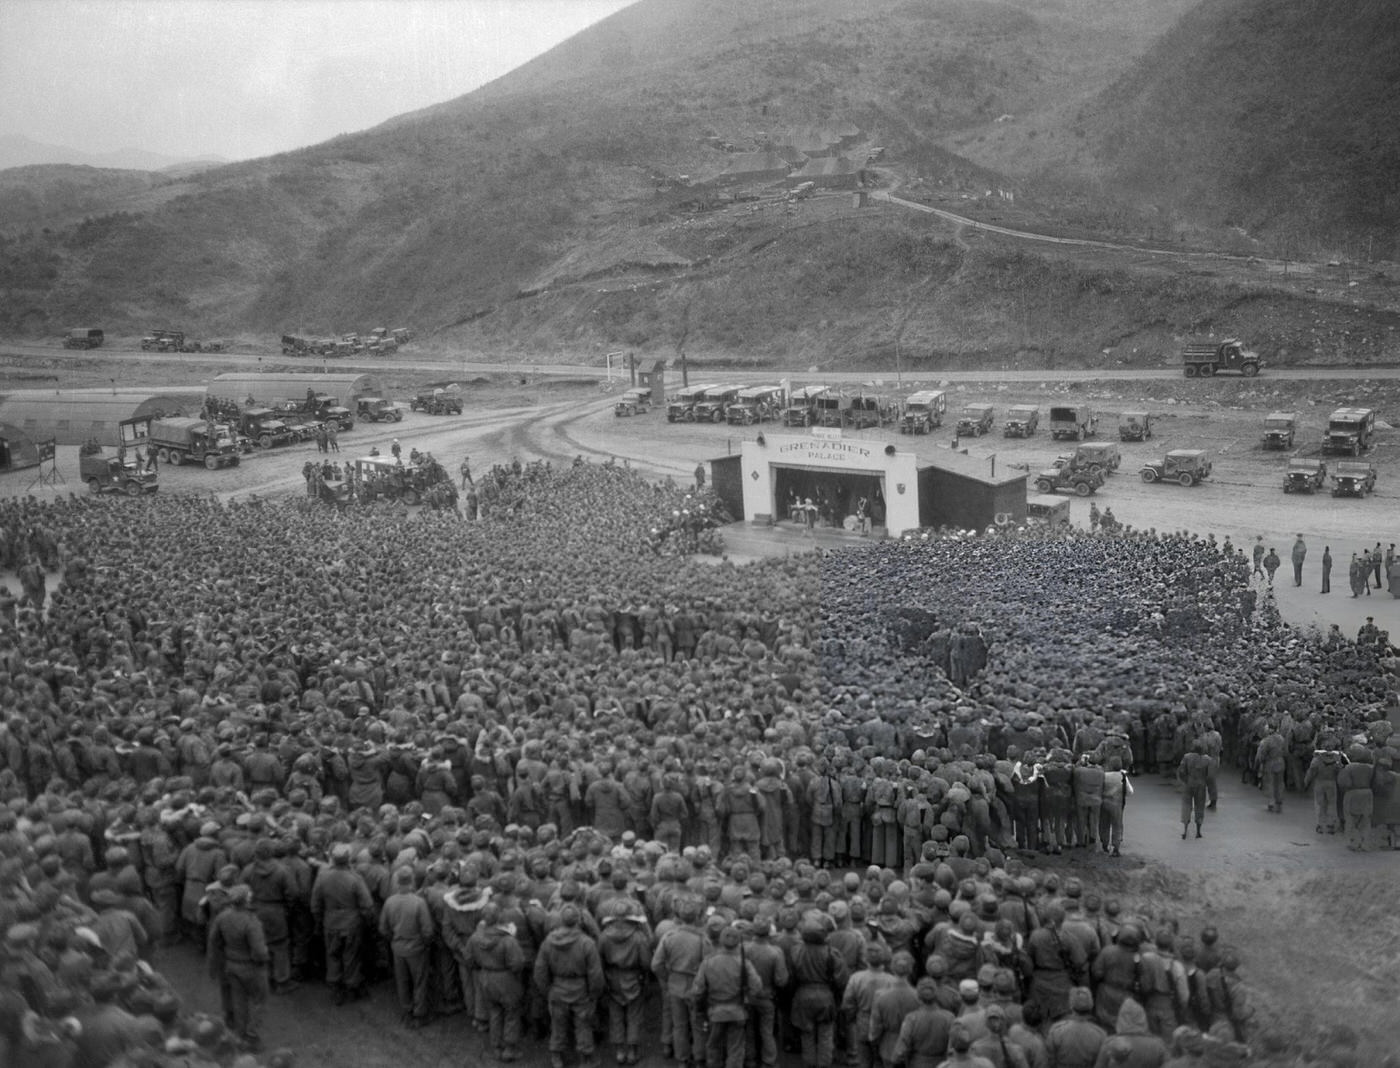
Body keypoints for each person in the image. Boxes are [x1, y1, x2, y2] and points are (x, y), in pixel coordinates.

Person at [535, 903, 604, 1068]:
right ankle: (586, 1059)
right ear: (578, 921)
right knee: (583, 1025)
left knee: (557, 1024)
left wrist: (547, 990)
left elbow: (540, 971)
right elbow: (595, 973)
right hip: (580, 989)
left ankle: (556, 1057)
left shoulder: (548, 942)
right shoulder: (587, 943)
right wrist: (594, 994)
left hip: (557, 988)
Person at [207, 883, 270, 1051]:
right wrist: (264, 958)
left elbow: (214, 940)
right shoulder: (251, 921)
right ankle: (252, 1035)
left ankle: (239, 1035)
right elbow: (259, 950)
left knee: (239, 1001)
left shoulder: (222, 917)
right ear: (246, 900)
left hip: (231, 965)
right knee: (259, 1001)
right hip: (252, 967)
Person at [310, 842, 374, 1004]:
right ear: (348, 859)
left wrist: (318, 921)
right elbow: (367, 905)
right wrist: (367, 921)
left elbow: (315, 904)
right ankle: (351, 987)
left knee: (332, 955)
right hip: (351, 924)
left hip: (330, 923)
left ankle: (336, 988)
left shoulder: (323, 877)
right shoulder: (355, 878)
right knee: (351, 956)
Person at [690, 925, 762, 1068]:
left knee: (714, 1046)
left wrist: (698, 1007)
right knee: (736, 1048)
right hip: (738, 1011)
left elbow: (698, 990)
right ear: (738, 942)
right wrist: (747, 997)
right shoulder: (744, 963)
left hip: (715, 1011)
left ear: (720, 941)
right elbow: (757, 986)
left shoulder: (708, 961)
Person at [380, 867, 435, 1028]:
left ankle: (407, 1011)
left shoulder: (390, 901)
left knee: (402, 981)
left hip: (398, 948)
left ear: (397, 882)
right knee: (419, 982)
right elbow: (427, 930)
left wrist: (393, 940)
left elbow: (383, 928)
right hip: (416, 948)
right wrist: (425, 944)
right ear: (412, 881)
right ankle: (419, 1013)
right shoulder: (419, 902)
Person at [1177, 744, 1211, 840]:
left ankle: (1185, 830)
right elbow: (1210, 774)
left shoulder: (1186, 757)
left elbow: (1181, 771)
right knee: (1199, 807)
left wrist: (1185, 781)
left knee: (1186, 806)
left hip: (1189, 784)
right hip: (1201, 785)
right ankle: (1198, 832)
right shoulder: (1207, 759)